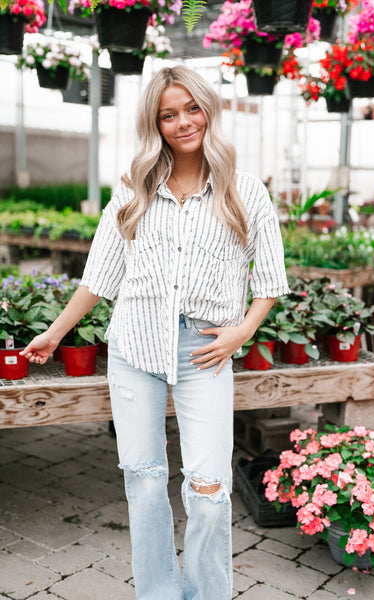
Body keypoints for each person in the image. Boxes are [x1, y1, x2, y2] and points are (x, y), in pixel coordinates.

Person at [20, 65, 290, 600]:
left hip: (206, 351)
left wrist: (243, 331)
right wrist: (53, 334)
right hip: (134, 346)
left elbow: (272, 279)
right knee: (143, 482)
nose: (183, 122)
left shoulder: (244, 191)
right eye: (169, 114)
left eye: (191, 108)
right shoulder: (133, 188)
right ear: (156, 123)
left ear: (209, 108)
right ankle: (160, 594)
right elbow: (100, 276)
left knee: (209, 490)